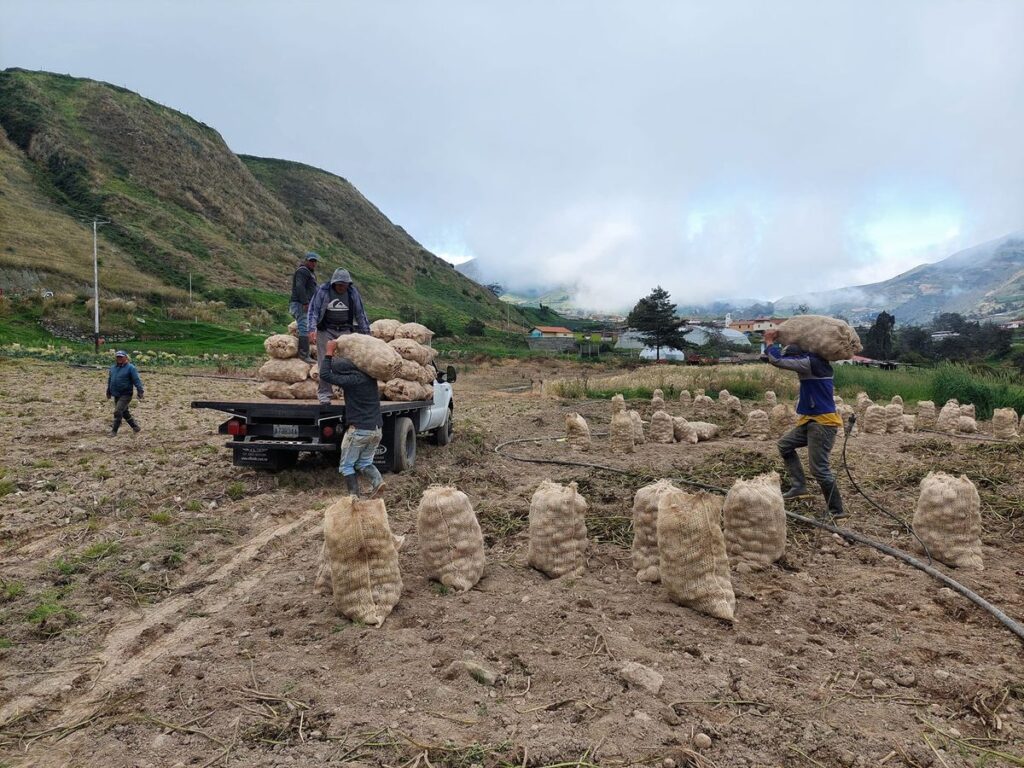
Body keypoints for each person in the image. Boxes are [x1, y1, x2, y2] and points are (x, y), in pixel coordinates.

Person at [763, 329, 846, 519]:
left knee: (819, 469)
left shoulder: (810, 363)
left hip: (822, 424)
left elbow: (777, 360)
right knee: (784, 445)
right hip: (811, 420)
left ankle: (836, 510)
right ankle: (799, 486)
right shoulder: (814, 361)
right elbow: (776, 359)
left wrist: (769, 342)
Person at [319, 338, 386, 498]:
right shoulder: (369, 377)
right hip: (376, 429)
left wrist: (328, 353)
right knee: (364, 463)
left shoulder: (351, 380)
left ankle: (354, 497)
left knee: (346, 466)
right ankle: (378, 482)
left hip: (359, 431)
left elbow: (325, 374)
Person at [307, 268, 371, 405]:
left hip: (345, 330)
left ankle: (348, 394)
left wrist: (367, 334)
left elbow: (360, 314)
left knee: (347, 363)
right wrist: (311, 329)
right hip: (326, 330)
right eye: (339, 285)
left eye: (344, 285)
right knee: (324, 361)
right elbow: (313, 311)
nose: (342, 287)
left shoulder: (353, 293)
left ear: (349, 284)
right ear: (334, 283)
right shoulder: (323, 291)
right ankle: (325, 394)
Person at [289, 251, 319, 363]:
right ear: (306, 261)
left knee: (305, 326)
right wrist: (305, 302)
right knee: (304, 326)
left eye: (314, 261)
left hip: (305, 303)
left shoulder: (310, 273)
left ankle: (304, 354)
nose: (313, 263)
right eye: (311, 261)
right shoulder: (302, 271)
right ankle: (303, 355)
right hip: (300, 303)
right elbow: (299, 287)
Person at [106, 350, 144, 436]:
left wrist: (140, 391)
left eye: (121, 357)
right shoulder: (113, 368)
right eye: (117, 357)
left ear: (126, 358)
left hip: (126, 394)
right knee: (124, 412)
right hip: (116, 393)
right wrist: (108, 391)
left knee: (118, 411)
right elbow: (110, 380)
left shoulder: (131, 368)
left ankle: (114, 431)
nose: (119, 358)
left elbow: (136, 380)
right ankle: (135, 427)